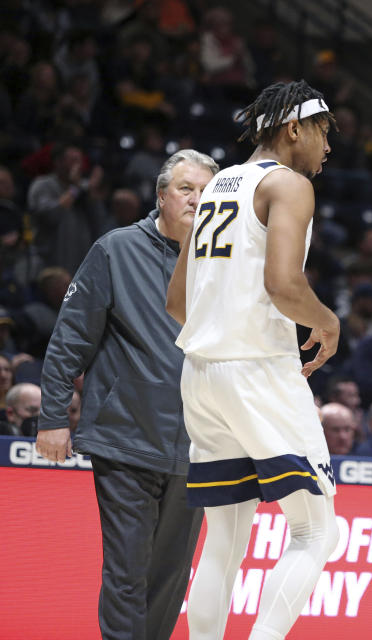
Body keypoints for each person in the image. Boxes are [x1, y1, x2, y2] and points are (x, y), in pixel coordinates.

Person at [165, 80, 341, 640]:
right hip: (258, 369)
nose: (327, 147)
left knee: (225, 539)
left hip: (202, 373)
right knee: (316, 532)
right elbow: (285, 284)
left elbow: (177, 302)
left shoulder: (217, 184)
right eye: (323, 132)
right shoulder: (287, 184)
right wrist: (327, 320)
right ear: (294, 130)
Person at [35, 149, 218, 640]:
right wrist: (53, 417)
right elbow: (70, 338)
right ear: (162, 196)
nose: (197, 200)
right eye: (186, 189)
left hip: (199, 446)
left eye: (206, 192)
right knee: (127, 571)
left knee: (170, 578)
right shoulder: (116, 249)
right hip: (126, 438)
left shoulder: (223, 264)